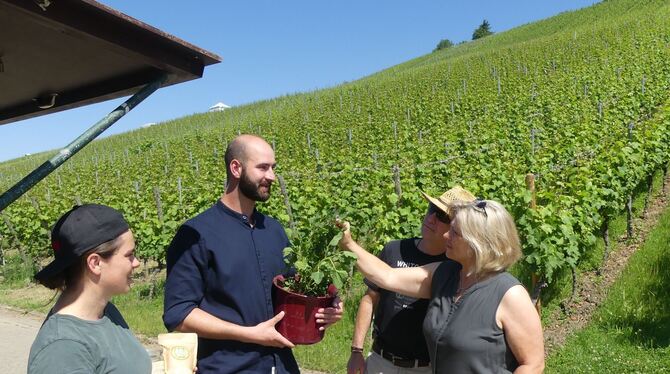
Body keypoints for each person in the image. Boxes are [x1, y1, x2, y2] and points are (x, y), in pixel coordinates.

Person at [163, 134, 344, 373]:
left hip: (282, 365)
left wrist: (326, 305)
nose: (271, 176)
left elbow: (294, 288)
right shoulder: (196, 234)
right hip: (228, 367)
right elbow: (179, 314)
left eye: (273, 168)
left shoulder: (273, 229)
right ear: (236, 168)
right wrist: (250, 335)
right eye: (263, 167)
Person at [338, 198, 545, 373]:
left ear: (478, 243)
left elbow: (533, 364)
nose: (446, 235)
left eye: (455, 232)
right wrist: (348, 244)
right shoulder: (445, 274)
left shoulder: (510, 294)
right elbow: (387, 276)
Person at [348, 187, 475, 374]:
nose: (432, 219)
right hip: (381, 361)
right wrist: (356, 351)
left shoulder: (455, 267)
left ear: (458, 228)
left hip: (427, 367)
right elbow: (370, 299)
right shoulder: (394, 249)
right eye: (432, 209)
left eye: (443, 217)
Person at [27, 204, 150, 374]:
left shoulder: (106, 312)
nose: (136, 263)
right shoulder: (63, 348)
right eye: (129, 255)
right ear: (95, 263)